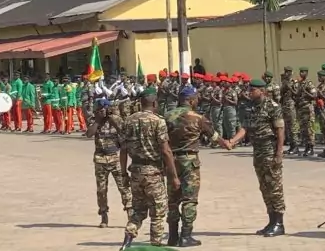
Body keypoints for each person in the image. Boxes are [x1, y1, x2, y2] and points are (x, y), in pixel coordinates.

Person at [165, 85, 230, 246]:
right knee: (189, 200)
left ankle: (172, 236)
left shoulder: (166, 116)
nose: (198, 100)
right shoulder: (198, 118)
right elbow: (214, 137)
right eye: (196, 98)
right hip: (190, 161)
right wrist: (227, 144)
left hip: (171, 162)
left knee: (172, 200)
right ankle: (186, 236)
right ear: (191, 100)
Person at [119, 90, 181, 250]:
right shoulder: (158, 121)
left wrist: (124, 173)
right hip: (153, 172)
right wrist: (173, 176)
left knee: (138, 211)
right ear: (154, 104)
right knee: (158, 213)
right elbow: (166, 150)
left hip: (136, 172)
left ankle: (127, 242)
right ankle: (155, 246)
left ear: (141, 103)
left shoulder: (128, 121)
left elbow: (123, 150)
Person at [227, 78, 286, 237]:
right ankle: (271, 221)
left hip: (270, 149)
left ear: (262, 91)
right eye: (249, 90)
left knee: (274, 187)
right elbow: (245, 128)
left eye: (253, 90)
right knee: (264, 187)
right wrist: (232, 141)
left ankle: (279, 223)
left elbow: (280, 131)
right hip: (258, 150)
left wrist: (279, 153)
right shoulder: (250, 107)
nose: (250, 92)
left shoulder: (273, 107)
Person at [86, 97, 132, 228]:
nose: (101, 111)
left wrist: (112, 120)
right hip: (100, 158)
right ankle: (104, 216)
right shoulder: (94, 120)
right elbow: (89, 134)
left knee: (123, 187)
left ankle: (130, 214)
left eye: (103, 109)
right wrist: (98, 121)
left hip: (115, 157)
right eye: (98, 110)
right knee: (101, 190)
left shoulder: (116, 119)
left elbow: (124, 133)